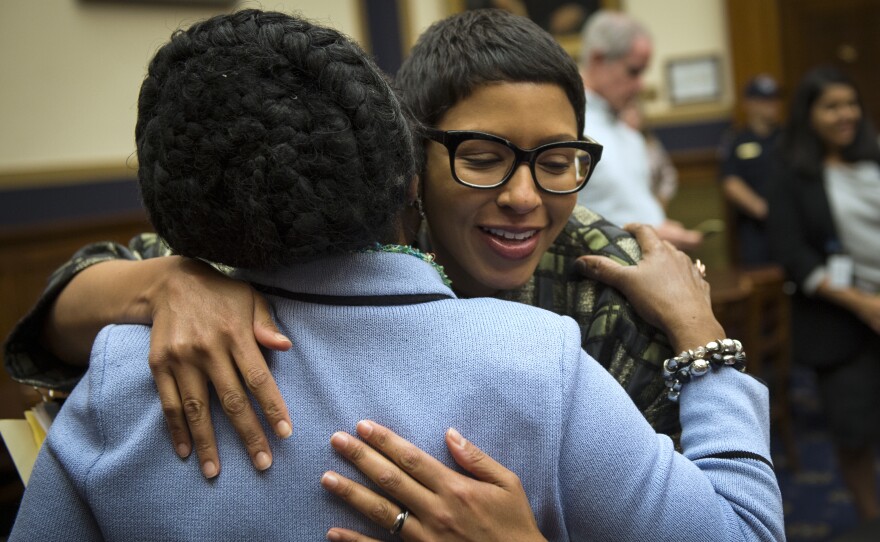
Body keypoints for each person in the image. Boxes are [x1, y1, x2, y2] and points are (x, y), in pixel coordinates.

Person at [10, 10, 783, 541]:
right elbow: (60, 310)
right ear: (408, 165)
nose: (524, 196)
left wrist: (700, 333)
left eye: (557, 162)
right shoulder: (270, 233)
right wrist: (164, 286)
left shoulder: (605, 288)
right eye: (483, 158)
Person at [767, 65, 880, 522]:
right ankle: (871, 518)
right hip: (839, 323)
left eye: (850, 103)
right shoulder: (791, 173)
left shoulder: (874, 158)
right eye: (831, 106)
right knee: (853, 433)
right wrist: (864, 304)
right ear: (809, 114)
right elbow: (793, 253)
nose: (845, 114)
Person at [576, 10, 702, 251]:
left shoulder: (627, 132)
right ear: (598, 60)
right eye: (633, 71)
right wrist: (648, 234)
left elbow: (629, 204)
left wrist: (660, 227)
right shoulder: (569, 126)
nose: (641, 84)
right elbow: (561, 222)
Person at [719, 74, 782, 266]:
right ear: (749, 104)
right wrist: (762, 209)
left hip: (791, 223)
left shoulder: (789, 138)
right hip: (756, 228)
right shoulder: (737, 140)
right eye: (764, 100)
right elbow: (730, 182)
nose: (771, 105)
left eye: (774, 99)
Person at [620, 99, 678, 209]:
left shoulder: (652, 144)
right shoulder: (613, 145)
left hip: (652, 204)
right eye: (628, 113)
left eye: (636, 114)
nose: (633, 118)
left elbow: (668, 174)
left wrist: (662, 198)